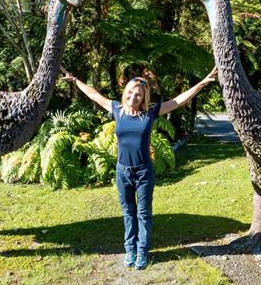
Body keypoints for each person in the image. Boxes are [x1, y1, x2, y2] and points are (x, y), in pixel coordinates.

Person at [61, 66, 218, 270]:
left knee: (143, 213)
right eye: (131, 93)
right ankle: (130, 250)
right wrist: (75, 81)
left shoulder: (150, 112)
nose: (134, 97)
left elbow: (179, 100)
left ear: (144, 97)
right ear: (126, 93)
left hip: (144, 172)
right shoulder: (117, 109)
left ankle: (142, 251)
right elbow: (94, 94)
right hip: (122, 171)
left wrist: (203, 82)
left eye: (139, 95)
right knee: (128, 212)